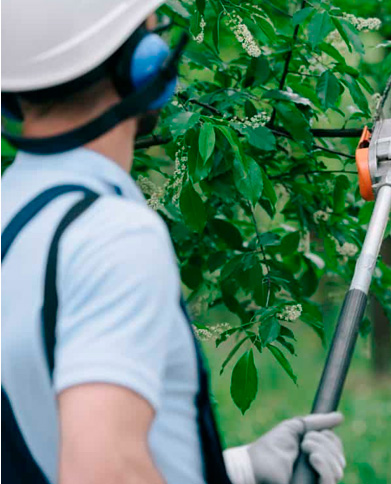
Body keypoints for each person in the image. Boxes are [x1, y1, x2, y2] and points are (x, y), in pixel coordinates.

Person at [0, 1, 346, 483]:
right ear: (141, 65)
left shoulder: (14, 217)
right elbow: (103, 469)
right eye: (151, 31)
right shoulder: (110, 236)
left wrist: (239, 469)